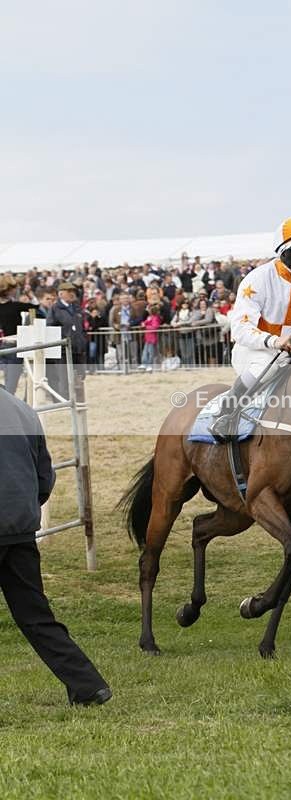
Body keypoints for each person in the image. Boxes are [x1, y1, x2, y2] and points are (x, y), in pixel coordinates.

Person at [0, 386, 111, 705]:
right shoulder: (22, 410)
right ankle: (89, 685)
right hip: (20, 528)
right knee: (36, 616)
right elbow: (44, 477)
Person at [209, 217, 291, 440]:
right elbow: (241, 329)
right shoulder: (257, 279)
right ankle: (226, 413)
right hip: (255, 351)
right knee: (269, 365)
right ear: (287, 253)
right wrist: (274, 342)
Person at [46, 282, 87, 398]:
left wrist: (83, 340)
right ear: (61, 294)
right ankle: (65, 401)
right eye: (69, 292)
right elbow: (50, 327)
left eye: (73, 291)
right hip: (63, 350)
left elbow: (81, 326)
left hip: (78, 348)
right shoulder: (55, 309)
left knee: (80, 376)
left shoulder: (77, 308)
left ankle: (78, 400)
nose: (72, 294)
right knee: (64, 378)